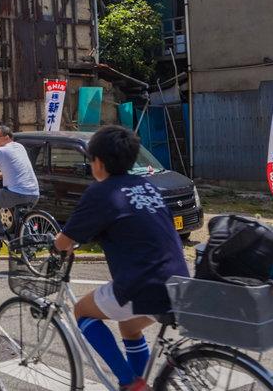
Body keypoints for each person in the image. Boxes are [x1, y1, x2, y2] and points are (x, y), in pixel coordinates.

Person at [52, 125, 189, 391]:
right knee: (129, 326)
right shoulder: (147, 186)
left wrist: (57, 245)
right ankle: (141, 384)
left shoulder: (101, 192)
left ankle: (130, 384)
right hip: (179, 281)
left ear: (98, 163)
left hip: (143, 285)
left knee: (81, 311)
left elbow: (64, 240)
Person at [0, 125, 41, 241]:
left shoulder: (1, 151)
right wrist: (3, 174)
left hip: (17, 194)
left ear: (6, 137)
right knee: (20, 222)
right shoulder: (20, 147)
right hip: (34, 193)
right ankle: (25, 248)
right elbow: (16, 166)